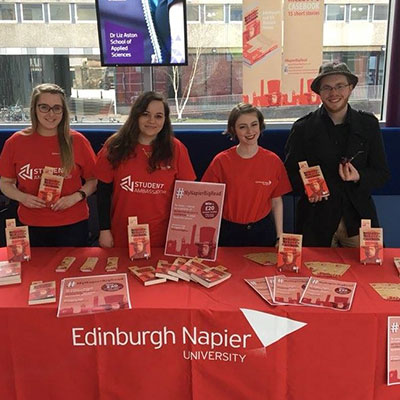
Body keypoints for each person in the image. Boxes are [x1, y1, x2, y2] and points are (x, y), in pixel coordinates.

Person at [285, 62, 390, 247]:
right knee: (314, 274)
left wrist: (359, 176)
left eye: (340, 86)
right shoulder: (302, 128)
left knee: (366, 275)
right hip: (315, 221)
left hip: (357, 219)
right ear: (319, 92)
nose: (333, 93)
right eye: (327, 87)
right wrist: (308, 187)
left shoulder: (368, 125)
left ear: (350, 88)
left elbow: (382, 174)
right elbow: (289, 175)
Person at [95, 91, 196, 248]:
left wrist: (185, 234)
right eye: (146, 114)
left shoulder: (176, 149)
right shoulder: (115, 146)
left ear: (165, 120)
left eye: (158, 116)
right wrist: (104, 230)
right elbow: (102, 193)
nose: (151, 121)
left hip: (163, 237)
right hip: (121, 234)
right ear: (136, 116)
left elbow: (188, 196)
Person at [0, 83, 97, 246]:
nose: (51, 114)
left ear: (63, 111)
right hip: (30, 224)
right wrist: (22, 197)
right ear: (34, 109)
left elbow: (93, 180)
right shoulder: (15, 142)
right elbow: (5, 182)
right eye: (44, 107)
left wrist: (76, 197)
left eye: (57, 108)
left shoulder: (78, 141)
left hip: (72, 224)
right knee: (35, 271)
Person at [202, 103, 292, 247]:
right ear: (233, 130)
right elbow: (207, 201)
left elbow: (276, 201)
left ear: (260, 126)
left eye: (254, 124)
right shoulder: (221, 161)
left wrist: (280, 236)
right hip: (228, 232)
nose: (250, 131)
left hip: (262, 231)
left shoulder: (273, 161)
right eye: (242, 126)